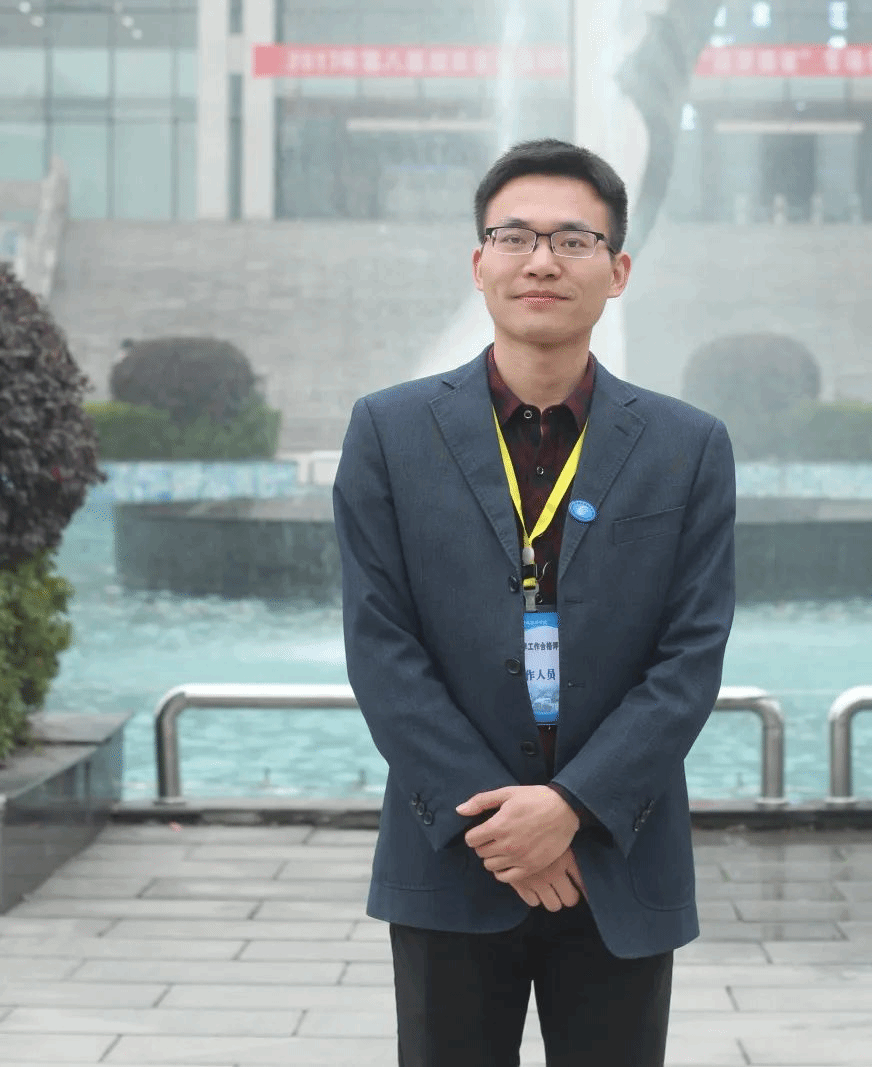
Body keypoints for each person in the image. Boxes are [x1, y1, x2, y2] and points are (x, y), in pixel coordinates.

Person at [332, 138, 736, 1067]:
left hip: (618, 857)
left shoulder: (687, 445)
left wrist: (572, 808)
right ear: (479, 263)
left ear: (617, 270)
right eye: (514, 237)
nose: (542, 260)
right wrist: (502, 824)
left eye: (572, 240)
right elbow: (380, 646)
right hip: (452, 856)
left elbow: (690, 657)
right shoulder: (389, 430)